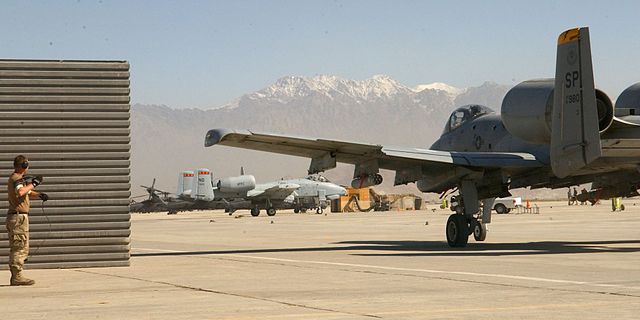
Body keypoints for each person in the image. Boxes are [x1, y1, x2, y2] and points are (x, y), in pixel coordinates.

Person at [6, 155, 48, 286]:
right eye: (26, 164)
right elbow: (20, 192)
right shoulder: (16, 178)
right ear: (23, 165)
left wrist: (39, 194)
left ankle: (17, 274)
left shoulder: (19, 179)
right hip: (18, 218)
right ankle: (16, 276)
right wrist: (34, 183)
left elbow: (27, 193)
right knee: (19, 247)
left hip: (19, 217)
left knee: (22, 246)